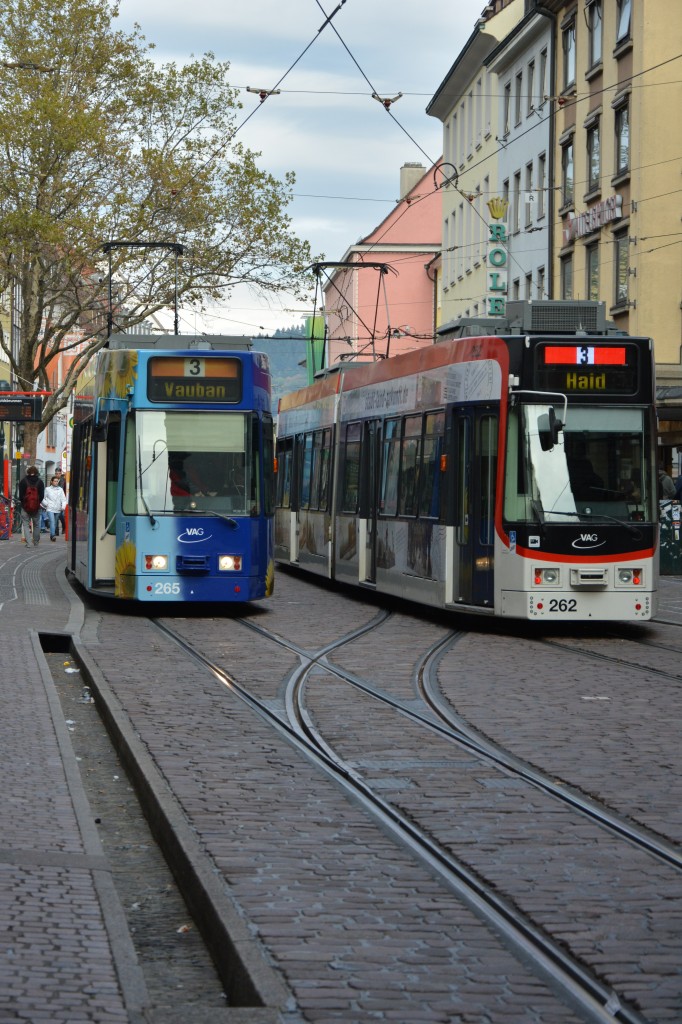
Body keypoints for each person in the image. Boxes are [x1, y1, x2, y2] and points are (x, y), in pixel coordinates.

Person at [18, 465, 45, 546]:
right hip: (36, 508)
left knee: (26, 525)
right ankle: (36, 542)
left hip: (25, 507)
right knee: (36, 524)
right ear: (36, 472)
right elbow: (42, 495)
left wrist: (24, 503)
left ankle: (29, 543)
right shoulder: (40, 482)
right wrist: (37, 503)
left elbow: (21, 496)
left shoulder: (23, 481)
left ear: (28, 472)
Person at [43, 476, 67, 542]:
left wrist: (63, 507)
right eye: (55, 481)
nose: (56, 482)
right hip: (50, 508)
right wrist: (46, 504)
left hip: (58, 509)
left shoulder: (60, 489)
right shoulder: (47, 489)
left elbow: (64, 499)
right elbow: (43, 498)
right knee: (52, 522)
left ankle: (52, 535)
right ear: (51, 481)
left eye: (57, 481)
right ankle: (53, 535)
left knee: (55, 523)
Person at [53, 466, 67, 536]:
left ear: (60, 473)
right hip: (54, 500)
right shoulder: (53, 480)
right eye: (56, 473)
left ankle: (63, 527)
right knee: (56, 515)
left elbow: (60, 489)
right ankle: (57, 530)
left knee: (59, 515)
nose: (57, 475)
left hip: (61, 500)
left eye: (58, 473)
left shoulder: (63, 480)